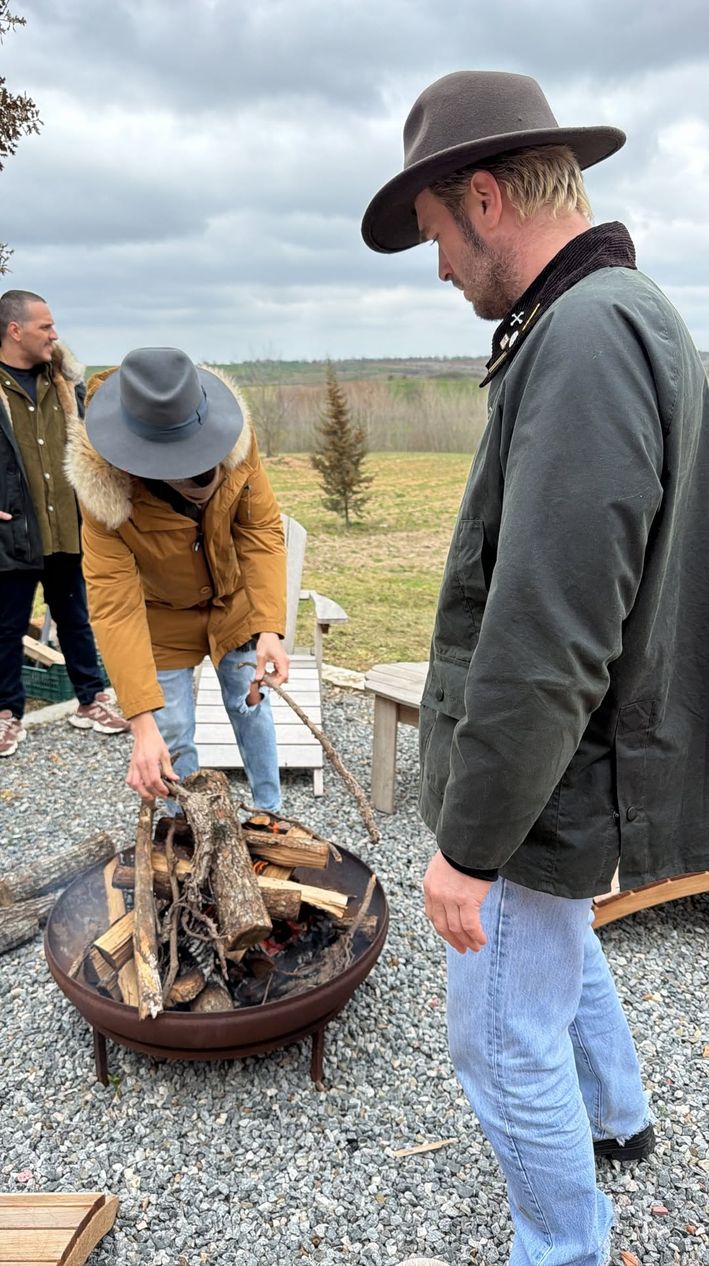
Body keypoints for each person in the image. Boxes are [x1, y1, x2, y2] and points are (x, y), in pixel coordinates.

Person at [362, 70, 709, 1266]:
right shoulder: (622, 310)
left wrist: (468, 848)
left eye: (435, 236)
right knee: (555, 945)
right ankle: (617, 1117)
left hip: (547, 783)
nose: (439, 269)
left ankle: (564, 1247)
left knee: (501, 1036)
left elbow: (550, 630)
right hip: (578, 766)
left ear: (486, 197)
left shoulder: (586, 337)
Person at [65, 345, 288, 811]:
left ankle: (270, 813)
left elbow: (261, 529)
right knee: (172, 735)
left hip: (233, 606)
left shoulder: (236, 439)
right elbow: (114, 606)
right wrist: (142, 722)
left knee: (252, 707)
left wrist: (269, 626)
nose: (204, 483)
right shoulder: (104, 492)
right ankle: (184, 827)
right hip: (160, 618)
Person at [0, 289, 128, 757]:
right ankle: (6, 715)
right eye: (45, 327)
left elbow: (92, 444)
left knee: (76, 620)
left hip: (66, 528)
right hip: (12, 531)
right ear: (15, 331)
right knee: (6, 628)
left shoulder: (65, 385)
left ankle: (91, 701)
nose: (55, 335)